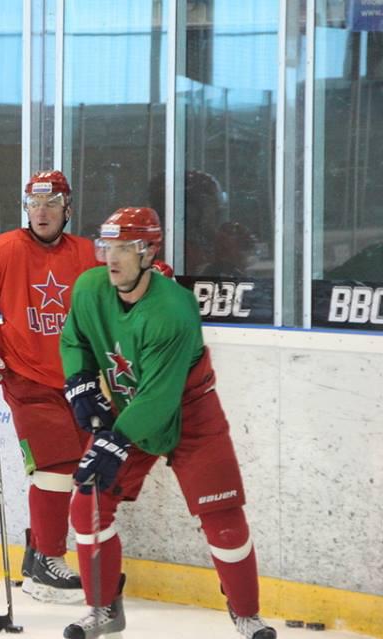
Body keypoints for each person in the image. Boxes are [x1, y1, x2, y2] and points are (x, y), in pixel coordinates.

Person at [59, 207, 276, 639]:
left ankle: (247, 614)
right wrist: (80, 383)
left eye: (125, 248)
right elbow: (74, 339)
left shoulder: (172, 309)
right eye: (107, 247)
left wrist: (113, 441)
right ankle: (104, 608)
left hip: (191, 412)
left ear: (148, 251)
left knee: (224, 516)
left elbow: (159, 398)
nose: (112, 258)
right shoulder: (89, 288)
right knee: (88, 505)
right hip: (128, 407)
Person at [0, 170, 99, 604]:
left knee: (81, 472)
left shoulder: (87, 253)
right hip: (27, 378)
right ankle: (48, 563)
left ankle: (37, 556)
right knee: (55, 469)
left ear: (67, 209)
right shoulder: (3, 251)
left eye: (52, 204)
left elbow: (122, 278)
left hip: (80, 381)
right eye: (35, 204)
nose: (42, 212)